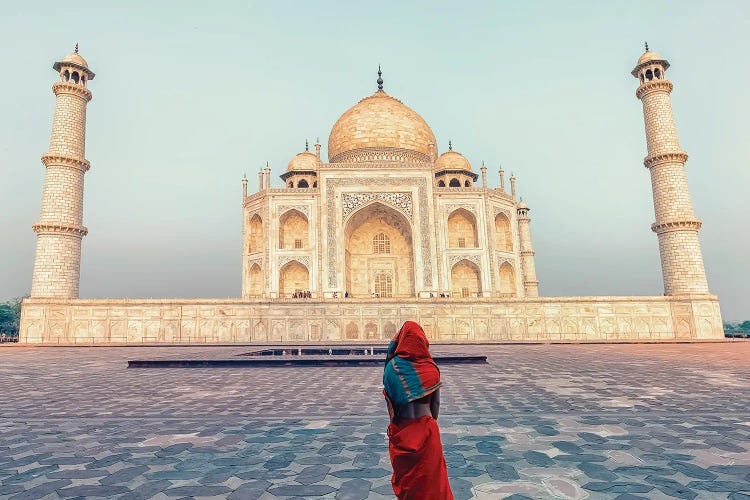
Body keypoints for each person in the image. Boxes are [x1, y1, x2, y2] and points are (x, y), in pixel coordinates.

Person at [383, 321, 453, 500]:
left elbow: (391, 406)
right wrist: (429, 425)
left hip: (404, 431)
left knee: (410, 487)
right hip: (427, 429)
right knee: (433, 484)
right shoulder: (430, 368)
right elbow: (435, 405)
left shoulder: (392, 368)